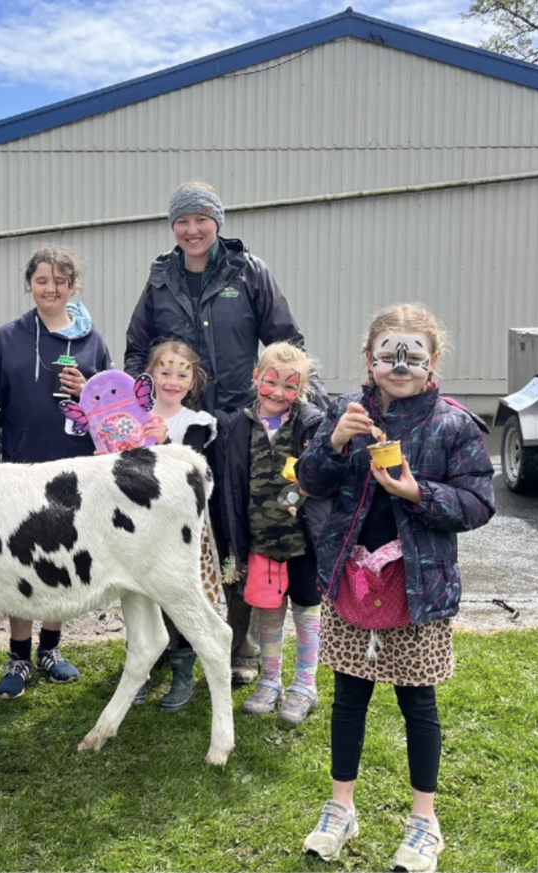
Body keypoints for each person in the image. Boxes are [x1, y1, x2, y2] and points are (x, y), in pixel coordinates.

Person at [297, 304, 495, 873]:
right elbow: (309, 481)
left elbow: (479, 503)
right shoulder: (346, 413)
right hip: (351, 576)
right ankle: (341, 809)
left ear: (433, 361)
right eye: (389, 355)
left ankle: (424, 822)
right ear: (369, 359)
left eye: (413, 355)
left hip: (418, 587)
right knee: (348, 698)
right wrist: (333, 442)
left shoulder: (453, 425)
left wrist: (416, 493)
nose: (399, 365)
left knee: (418, 704)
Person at [124, 180, 324, 687]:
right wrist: (141, 406)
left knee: (235, 528)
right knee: (173, 532)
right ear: (173, 226)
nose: (192, 230)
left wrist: (297, 403)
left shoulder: (249, 271)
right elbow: (137, 350)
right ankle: (172, 643)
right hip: (176, 433)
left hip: (238, 426)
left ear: (217, 222)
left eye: (201, 219)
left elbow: (286, 342)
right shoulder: (160, 279)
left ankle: (239, 645)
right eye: (182, 221)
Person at [0, 244, 113, 699]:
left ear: (73, 286)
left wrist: (88, 388)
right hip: (20, 468)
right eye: (42, 280)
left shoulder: (92, 340)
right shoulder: (8, 338)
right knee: (19, 561)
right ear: (29, 284)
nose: (51, 289)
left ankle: (50, 650)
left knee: (60, 558)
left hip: (75, 468)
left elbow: (111, 406)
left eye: (60, 281)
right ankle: (18, 656)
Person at [215, 342, 329, 724]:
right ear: (256, 377)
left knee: (307, 611)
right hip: (261, 541)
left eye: (290, 386)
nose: (278, 392)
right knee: (268, 612)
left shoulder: (311, 424)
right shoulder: (238, 426)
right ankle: (270, 680)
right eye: (271, 382)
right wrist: (235, 541)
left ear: (302, 389)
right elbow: (231, 486)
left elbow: (326, 474)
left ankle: (305, 684)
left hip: (302, 542)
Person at [130, 339, 220, 711]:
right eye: (164, 371)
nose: (172, 380)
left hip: (178, 531)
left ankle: (183, 671)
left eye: (182, 374)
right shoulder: (131, 416)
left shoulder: (196, 423)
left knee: (179, 598)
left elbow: (192, 473)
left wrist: (164, 440)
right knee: (137, 598)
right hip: (136, 526)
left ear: (192, 381)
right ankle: (139, 668)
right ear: (149, 375)